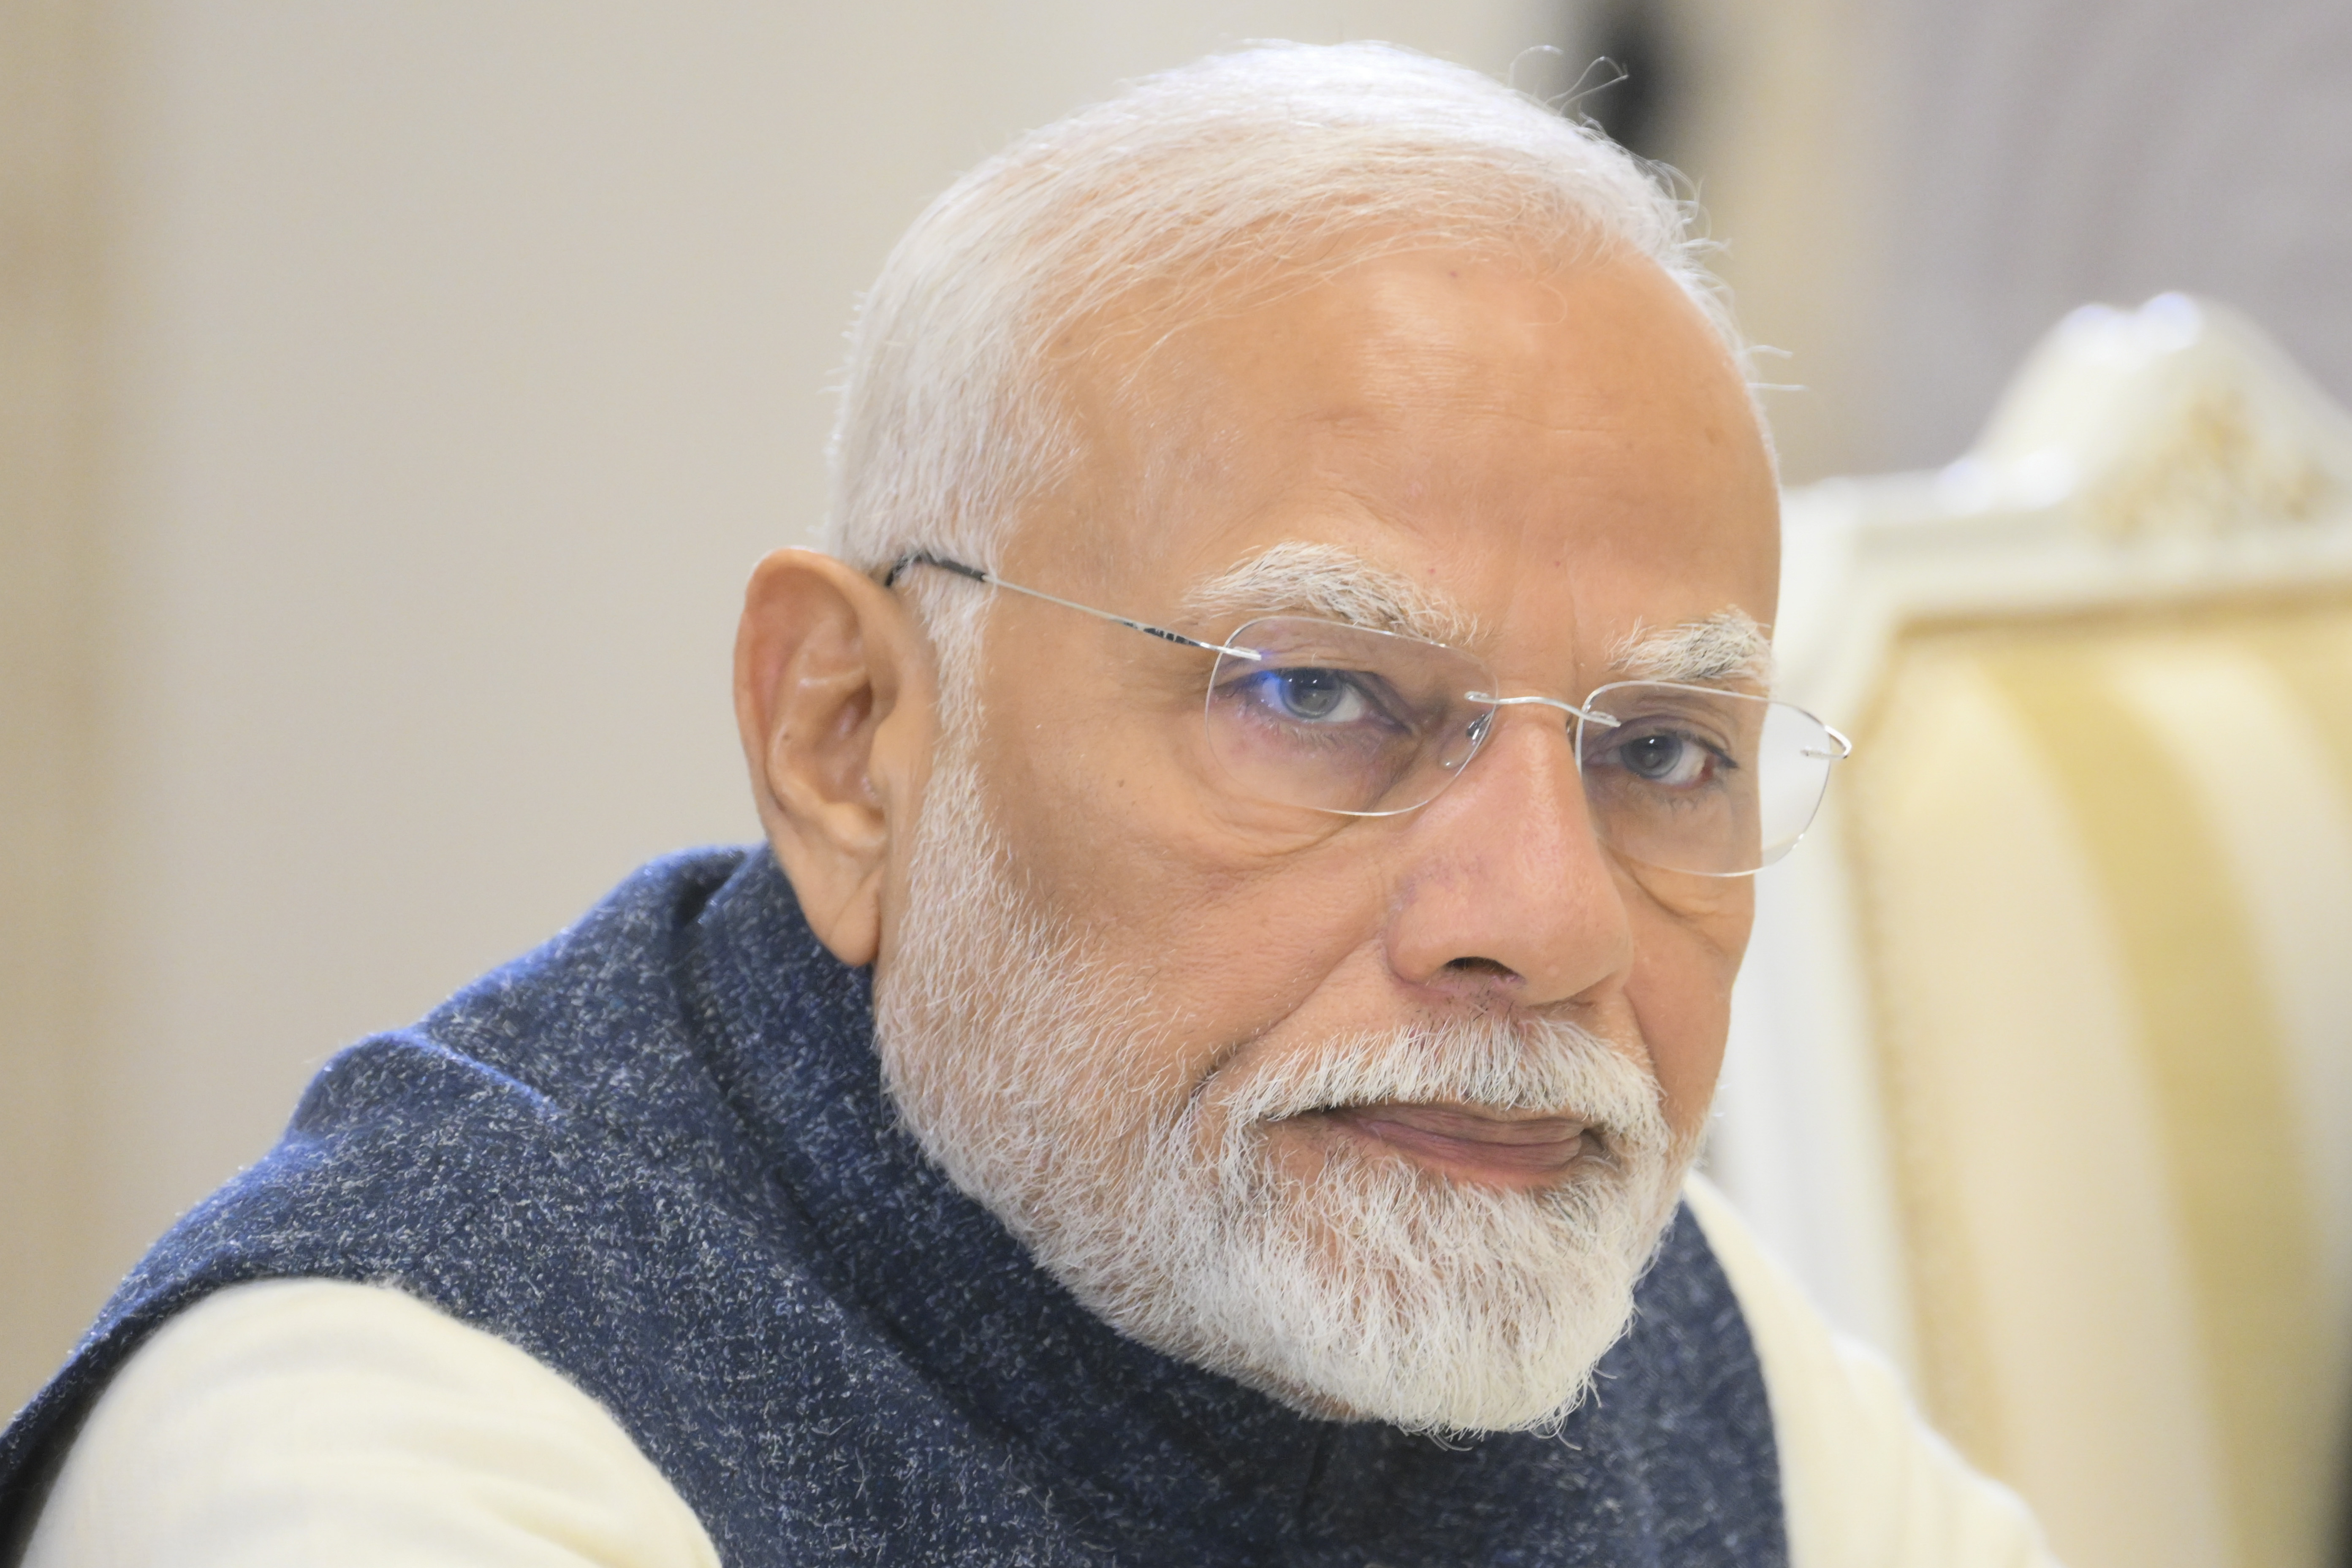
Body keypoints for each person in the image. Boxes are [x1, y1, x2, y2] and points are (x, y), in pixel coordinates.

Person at [0, 41, 2056, 1568]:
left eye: (1658, 749)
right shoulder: (393, 1447)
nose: (1547, 916)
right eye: (1318, 692)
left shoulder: (1671, 1333)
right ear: (850, 738)